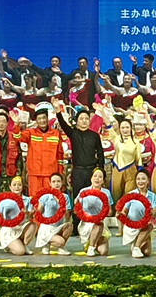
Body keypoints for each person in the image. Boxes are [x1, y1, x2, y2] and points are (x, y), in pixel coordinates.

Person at [53, 97, 104, 232]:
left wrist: (101, 171)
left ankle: (93, 222)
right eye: (81, 119)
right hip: (78, 171)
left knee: (92, 197)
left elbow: (100, 153)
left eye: (86, 118)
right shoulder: (73, 133)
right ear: (77, 121)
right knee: (78, 198)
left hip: (92, 171)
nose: (84, 121)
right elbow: (63, 124)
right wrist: (58, 111)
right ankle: (76, 225)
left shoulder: (94, 135)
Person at [16, 108, 64, 196]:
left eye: (44, 118)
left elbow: (60, 154)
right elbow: (18, 137)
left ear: (47, 118)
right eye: (39, 119)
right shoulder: (31, 133)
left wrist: (60, 173)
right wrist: (16, 125)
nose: (42, 120)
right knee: (35, 198)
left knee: (50, 198)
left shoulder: (56, 134)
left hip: (51, 173)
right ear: (36, 121)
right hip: (34, 173)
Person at [75, 168, 113, 257]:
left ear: (103, 180)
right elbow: (76, 209)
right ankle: (91, 247)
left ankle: (93, 243)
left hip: (100, 223)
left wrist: (107, 212)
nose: (97, 179)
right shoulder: (83, 191)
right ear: (91, 178)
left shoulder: (106, 192)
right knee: (98, 224)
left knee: (104, 252)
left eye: (100, 177)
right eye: (95, 176)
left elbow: (110, 211)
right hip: (86, 223)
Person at [120, 170, 156, 258]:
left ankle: (137, 245)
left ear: (148, 181)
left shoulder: (152, 196)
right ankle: (136, 247)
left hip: (144, 225)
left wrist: (152, 212)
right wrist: (121, 215)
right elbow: (124, 211)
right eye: (138, 179)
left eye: (143, 179)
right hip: (132, 225)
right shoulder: (131, 194)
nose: (140, 181)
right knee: (149, 226)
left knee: (147, 252)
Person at [35, 172, 73, 255]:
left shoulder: (65, 197)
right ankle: (46, 244)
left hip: (58, 226)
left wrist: (64, 208)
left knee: (69, 226)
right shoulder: (45, 197)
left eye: (58, 181)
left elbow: (67, 217)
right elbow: (38, 213)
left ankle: (61, 248)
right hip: (47, 228)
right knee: (61, 241)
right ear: (50, 183)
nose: (56, 184)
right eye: (54, 182)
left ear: (62, 183)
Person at [0, 176, 37, 255]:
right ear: (10, 187)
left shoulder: (28, 200)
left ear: (22, 186)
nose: (17, 187)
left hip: (21, 227)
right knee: (20, 252)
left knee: (33, 225)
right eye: (14, 185)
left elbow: (30, 218)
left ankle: (24, 245)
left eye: (19, 185)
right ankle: (10, 246)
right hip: (9, 229)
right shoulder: (4, 200)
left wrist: (28, 213)